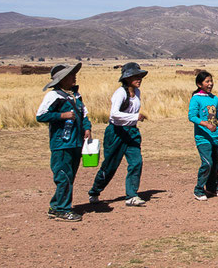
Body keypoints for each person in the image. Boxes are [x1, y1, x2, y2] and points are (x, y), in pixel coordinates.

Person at [36, 63, 92, 221]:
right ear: (61, 79)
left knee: (69, 176)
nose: (74, 76)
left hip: (76, 142)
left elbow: (84, 114)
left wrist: (87, 128)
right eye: (70, 75)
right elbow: (40, 116)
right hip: (61, 143)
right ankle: (62, 209)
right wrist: (62, 116)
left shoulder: (76, 95)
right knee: (63, 176)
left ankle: (56, 206)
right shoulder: (54, 96)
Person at [88, 63, 148, 207]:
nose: (139, 79)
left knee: (136, 162)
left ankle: (132, 195)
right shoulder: (120, 93)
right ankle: (95, 191)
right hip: (116, 132)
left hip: (131, 132)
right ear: (127, 78)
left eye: (140, 76)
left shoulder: (137, 93)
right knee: (110, 165)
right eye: (136, 76)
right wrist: (134, 117)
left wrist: (133, 121)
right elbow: (114, 114)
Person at [188, 71, 218, 201]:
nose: (210, 84)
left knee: (216, 163)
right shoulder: (196, 98)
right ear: (199, 84)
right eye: (207, 81)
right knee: (207, 163)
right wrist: (206, 125)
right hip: (202, 138)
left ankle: (212, 188)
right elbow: (192, 117)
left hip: (215, 137)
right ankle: (199, 189)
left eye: (211, 81)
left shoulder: (214, 98)